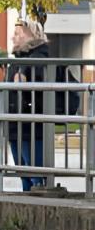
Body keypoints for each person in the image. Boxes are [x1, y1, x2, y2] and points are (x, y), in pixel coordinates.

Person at [8, 21, 75, 191]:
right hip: (16, 123)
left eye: (18, 34)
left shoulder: (40, 59)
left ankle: (39, 202)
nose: (12, 38)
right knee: (23, 173)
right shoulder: (18, 60)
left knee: (35, 174)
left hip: (33, 125)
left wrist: (27, 81)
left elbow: (42, 87)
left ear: (32, 35)